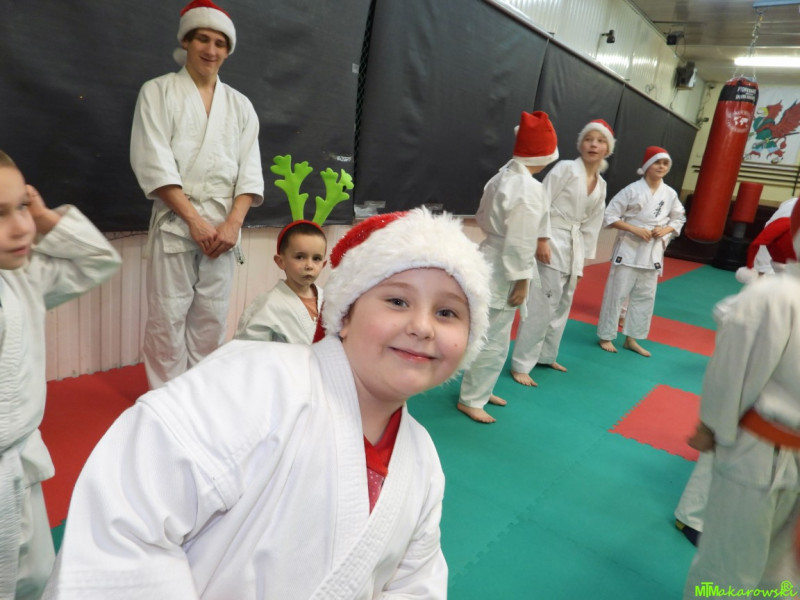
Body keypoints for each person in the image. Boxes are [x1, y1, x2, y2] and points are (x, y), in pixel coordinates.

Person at [42, 208, 491, 600]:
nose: (422, 327)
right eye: (397, 300)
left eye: (448, 312)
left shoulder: (423, 462)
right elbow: (124, 522)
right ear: (345, 314)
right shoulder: (253, 384)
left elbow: (416, 583)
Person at [0, 150, 120, 599]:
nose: (21, 227)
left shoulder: (22, 277)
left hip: (21, 464)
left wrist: (48, 219)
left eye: (22, 206)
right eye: (0, 214)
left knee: (35, 577)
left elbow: (97, 261)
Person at [131, 0, 264, 389]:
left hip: (223, 231)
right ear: (186, 41)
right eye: (203, 39)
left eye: (220, 43)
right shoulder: (157, 92)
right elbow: (154, 162)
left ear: (228, 50)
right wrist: (194, 220)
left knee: (212, 316)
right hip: (176, 223)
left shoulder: (240, 106)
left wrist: (232, 225)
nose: (211, 50)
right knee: (167, 315)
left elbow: (249, 172)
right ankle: (165, 397)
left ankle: (201, 394)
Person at [682, 200, 800, 598]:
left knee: (769, 571)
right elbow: (733, 371)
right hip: (761, 449)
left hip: (766, 453)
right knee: (740, 568)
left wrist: (711, 424)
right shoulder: (774, 295)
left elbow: (733, 371)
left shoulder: (773, 296)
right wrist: (713, 424)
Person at [458, 110, 558, 423]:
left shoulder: (502, 176)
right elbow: (520, 239)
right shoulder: (527, 187)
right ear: (545, 155)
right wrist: (522, 279)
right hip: (505, 266)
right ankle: (472, 398)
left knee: (489, 332)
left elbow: (482, 215)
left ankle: (481, 389)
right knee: (494, 337)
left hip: (489, 254)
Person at [510, 119, 615, 387]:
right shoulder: (566, 168)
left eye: (600, 141)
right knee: (542, 303)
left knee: (563, 303)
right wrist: (541, 239)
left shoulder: (601, 184)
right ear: (580, 144)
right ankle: (521, 363)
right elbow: (541, 201)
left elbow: (593, 223)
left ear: (608, 149)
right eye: (589, 139)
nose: (593, 145)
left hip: (574, 245)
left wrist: (582, 261)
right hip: (552, 238)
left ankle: (546, 356)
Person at [596, 146, 686, 357]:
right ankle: (606, 335)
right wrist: (633, 228)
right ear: (647, 166)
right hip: (628, 248)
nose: (661, 167)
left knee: (645, 297)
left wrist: (666, 230)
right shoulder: (631, 190)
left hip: (652, 252)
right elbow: (610, 215)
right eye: (657, 162)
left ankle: (632, 338)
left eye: (665, 163)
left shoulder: (669, 193)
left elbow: (679, 218)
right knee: (616, 294)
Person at [235, 220, 326, 344]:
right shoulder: (267, 305)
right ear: (280, 261)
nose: (309, 265)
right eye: (300, 257)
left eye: (316, 258)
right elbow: (247, 349)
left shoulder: (329, 300)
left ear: (323, 264)